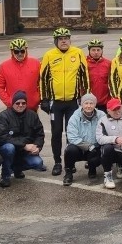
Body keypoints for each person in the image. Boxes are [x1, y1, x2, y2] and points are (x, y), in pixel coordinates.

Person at [40, 27, 90, 176]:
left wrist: (86, 97)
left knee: (72, 133)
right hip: (56, 103)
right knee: (56, 133)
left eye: (66, 38)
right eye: (61, 39)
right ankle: (57, 162)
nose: (64, 41)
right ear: (56, 41)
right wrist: (44, 99)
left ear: (70, 40)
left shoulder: (77, 53)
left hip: (72, 102)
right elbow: (43, 78)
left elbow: (84, 76)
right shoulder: (49, 55)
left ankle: (70, 161)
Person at [0, 90, 46, 187]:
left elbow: (40, 134)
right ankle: (5, 175)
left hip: (25, 150)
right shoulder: (3, 116)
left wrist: (37, 147)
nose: (20, 105)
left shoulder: (32, 115)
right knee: (9, 148)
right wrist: (24, 146)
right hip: (9, 149)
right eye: (17, 103)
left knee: (38, 163)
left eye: (23, 103)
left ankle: (17, 169)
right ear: (13, 103)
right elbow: (2, 137)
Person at [62, 93, 104, 186]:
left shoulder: (101, 116)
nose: (88, 106)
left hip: (95, 147)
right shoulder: (75, 117)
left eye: (91, 103)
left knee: (102, 152)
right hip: (80, 147)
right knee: (70, 150)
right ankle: (68, 173)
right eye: (86, 103)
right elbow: (72, 137)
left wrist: (95, 145)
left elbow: (105, 132)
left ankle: (92, 169)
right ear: (81, 104)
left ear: (95, 104)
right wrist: (88, 146)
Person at [0, 38, 40, 111]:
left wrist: (37, 99)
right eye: (16, 51)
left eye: (22, 51)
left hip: (32, 107)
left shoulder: (36, 63)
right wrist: (9, 102)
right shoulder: (3, 66)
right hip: (13, 108)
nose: (20, 54)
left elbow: (42, 83)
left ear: (26, 50)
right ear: (12, 52)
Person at [86, 39, 112, 112]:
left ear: (102, 51)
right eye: (93, 50)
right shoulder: (84, 63)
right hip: (89, 102)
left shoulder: (108, 63)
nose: (96, 52)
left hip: (105, 101)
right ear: (89, 51)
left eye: (98, 50)